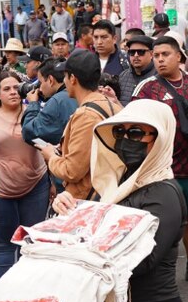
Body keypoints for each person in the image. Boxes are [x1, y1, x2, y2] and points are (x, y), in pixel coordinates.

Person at [51, 100, 188, 302]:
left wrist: (79, 254)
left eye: (136, 132)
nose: (126, 140)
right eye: (119, 132)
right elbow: (94, 224)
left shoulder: (163, 193)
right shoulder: (120, 182)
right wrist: (68, 208)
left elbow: (141, 260)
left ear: (161, 138)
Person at [131, 35, 188, 288]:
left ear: (179, 56)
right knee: (155, 221)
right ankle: (152, 270)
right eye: (156, 56)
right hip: (160, 170)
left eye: (165, 55)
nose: (160, 60)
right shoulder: (147, 88)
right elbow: (133, 128)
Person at [0, 72, 49, 281]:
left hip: (36, 187)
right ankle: (3, 298)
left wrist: (53, 183)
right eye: (7, 89)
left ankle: (26, 296)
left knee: (30, 244)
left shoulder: (35, 113)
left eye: (16, 88)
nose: (13, 92)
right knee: (1, 245)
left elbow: (49, 147)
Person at [37, 50, 121, 199]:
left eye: (65, 76)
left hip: (88, 201)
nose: (64, 81)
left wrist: (51, 157)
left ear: (73, 79)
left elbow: (72, 171)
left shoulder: (86, 115)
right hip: (109, 193)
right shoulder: (113, 105)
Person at [22, 57, 79, 147]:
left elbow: (30, 133)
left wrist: (33, 104)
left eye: (40, 82)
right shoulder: (77, 93)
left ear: (51, 80)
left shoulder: (57, 101)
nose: (39, 88)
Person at [118, 35, 158, 105]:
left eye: (141, 52)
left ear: (151, 54)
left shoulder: (159, 77)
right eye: (132, 52)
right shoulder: (123, 76)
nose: (136, 55)